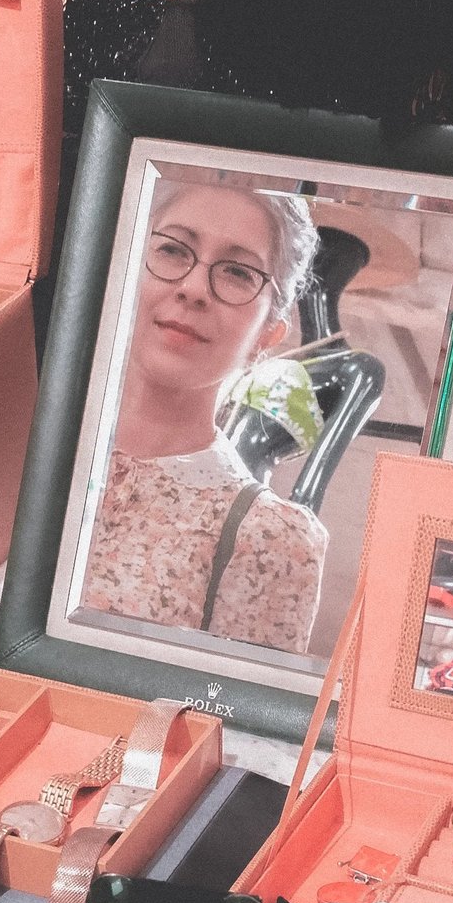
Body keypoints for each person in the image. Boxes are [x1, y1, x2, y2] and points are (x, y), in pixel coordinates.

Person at [81, 176, 328, 654]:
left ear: (268, 334)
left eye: (237, 272)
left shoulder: (271, 540)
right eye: (173, 250)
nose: (194, 289)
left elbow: (227, 703)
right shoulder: (14, 439)